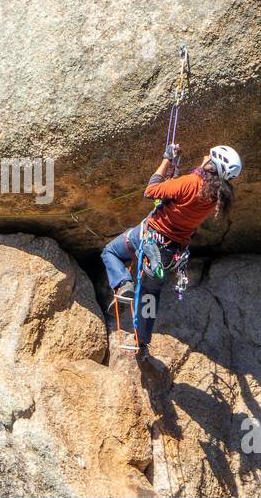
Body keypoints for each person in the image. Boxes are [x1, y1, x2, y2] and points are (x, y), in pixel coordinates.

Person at [100, 143, 241, 355]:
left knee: (110, 252)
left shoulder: (192, 182)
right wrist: (174, 171)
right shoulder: (214, 197)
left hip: (147, 238)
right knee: (150, 293)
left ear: (211, 164)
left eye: (208, 156)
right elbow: (174, 196)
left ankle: (123, 283)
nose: (204, 156)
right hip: (169, 253)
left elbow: (151, 191)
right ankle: (142, 343)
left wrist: (166, 159)